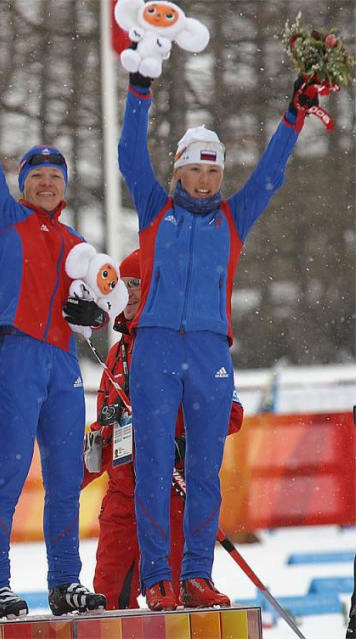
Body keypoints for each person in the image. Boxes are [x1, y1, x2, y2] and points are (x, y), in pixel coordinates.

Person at [118, 70, 319, 610]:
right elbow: (128, 154)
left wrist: (293, 115)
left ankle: (196, 575)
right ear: (177, 171)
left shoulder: (233, 217)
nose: (204, 181)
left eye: (213, 171)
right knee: (155, 466)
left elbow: (272, 175)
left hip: (209, 350)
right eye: (194, 169)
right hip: (155, 346)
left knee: (206, 470)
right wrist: (139, 89)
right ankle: (158, 575)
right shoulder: (155, 209)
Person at [0, 63, 107, 620]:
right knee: (8, 475)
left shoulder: (77, 241)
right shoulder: (5, 217)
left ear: (65, 186)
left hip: (62, 362)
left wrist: (93, 313)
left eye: (55, 177)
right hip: (15, 357)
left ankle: (65, 583)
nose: (46, 183)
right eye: (37, 176)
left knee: (65, 480)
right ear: (23, 184)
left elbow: (100, 305)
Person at [81, 251, 244, 610]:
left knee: (172, 611)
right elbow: (110, 426)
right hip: (123, 500)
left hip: (171, 497)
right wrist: (74, 471)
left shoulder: (191, 344)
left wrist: (183, 446)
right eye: (122, 284)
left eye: (137, 283)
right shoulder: (115, 354)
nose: (128, 291)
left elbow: (230, 412)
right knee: (108, 609)